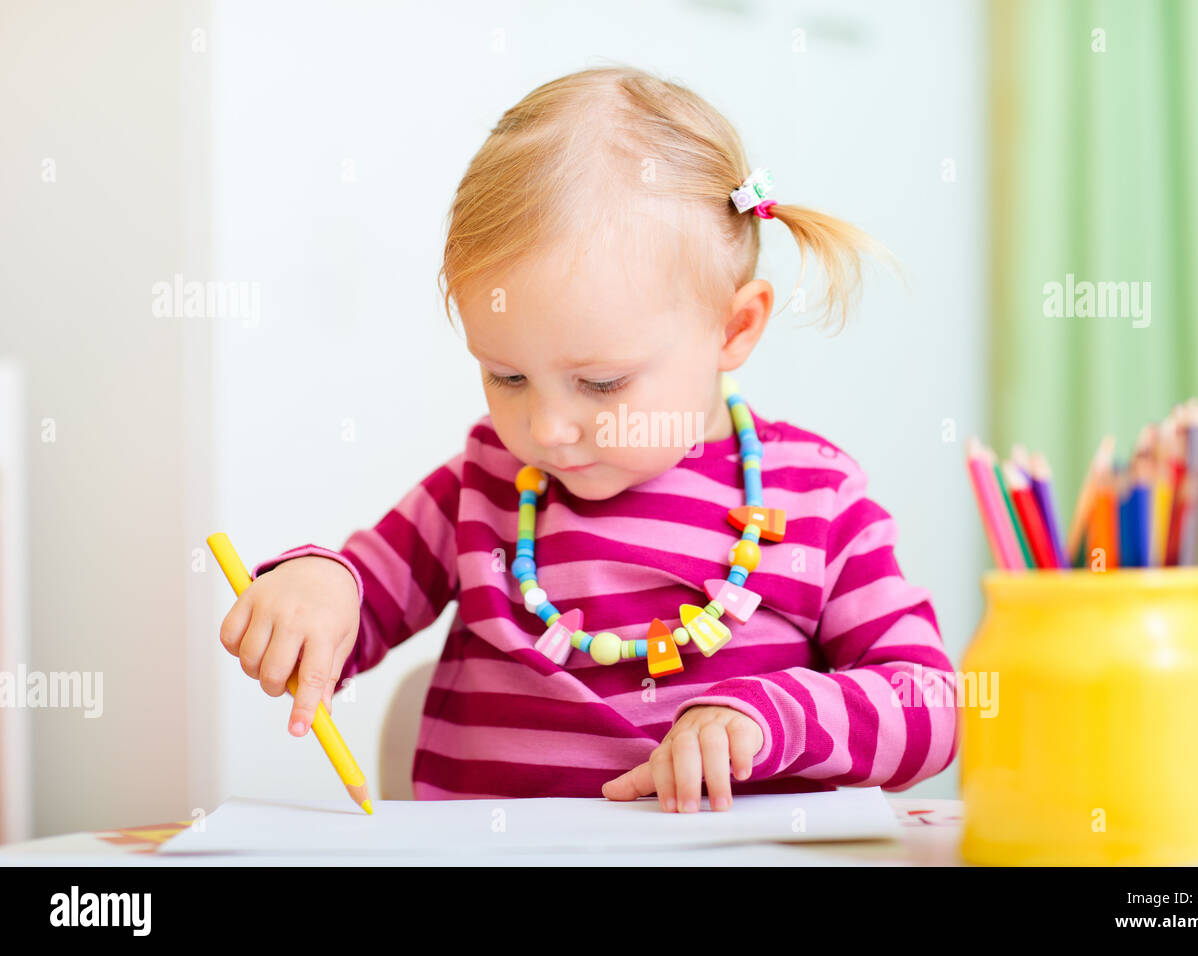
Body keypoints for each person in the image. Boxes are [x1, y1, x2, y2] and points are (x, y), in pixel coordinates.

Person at [219, 65, 957, 813]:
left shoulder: (816, 497)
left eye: (602, 384)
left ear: (734, 328)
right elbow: (363, 603)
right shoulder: (487, 484)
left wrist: (772, 719)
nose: (548, 428)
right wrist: (321, 589)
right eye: (507, 377)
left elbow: (929, 703)